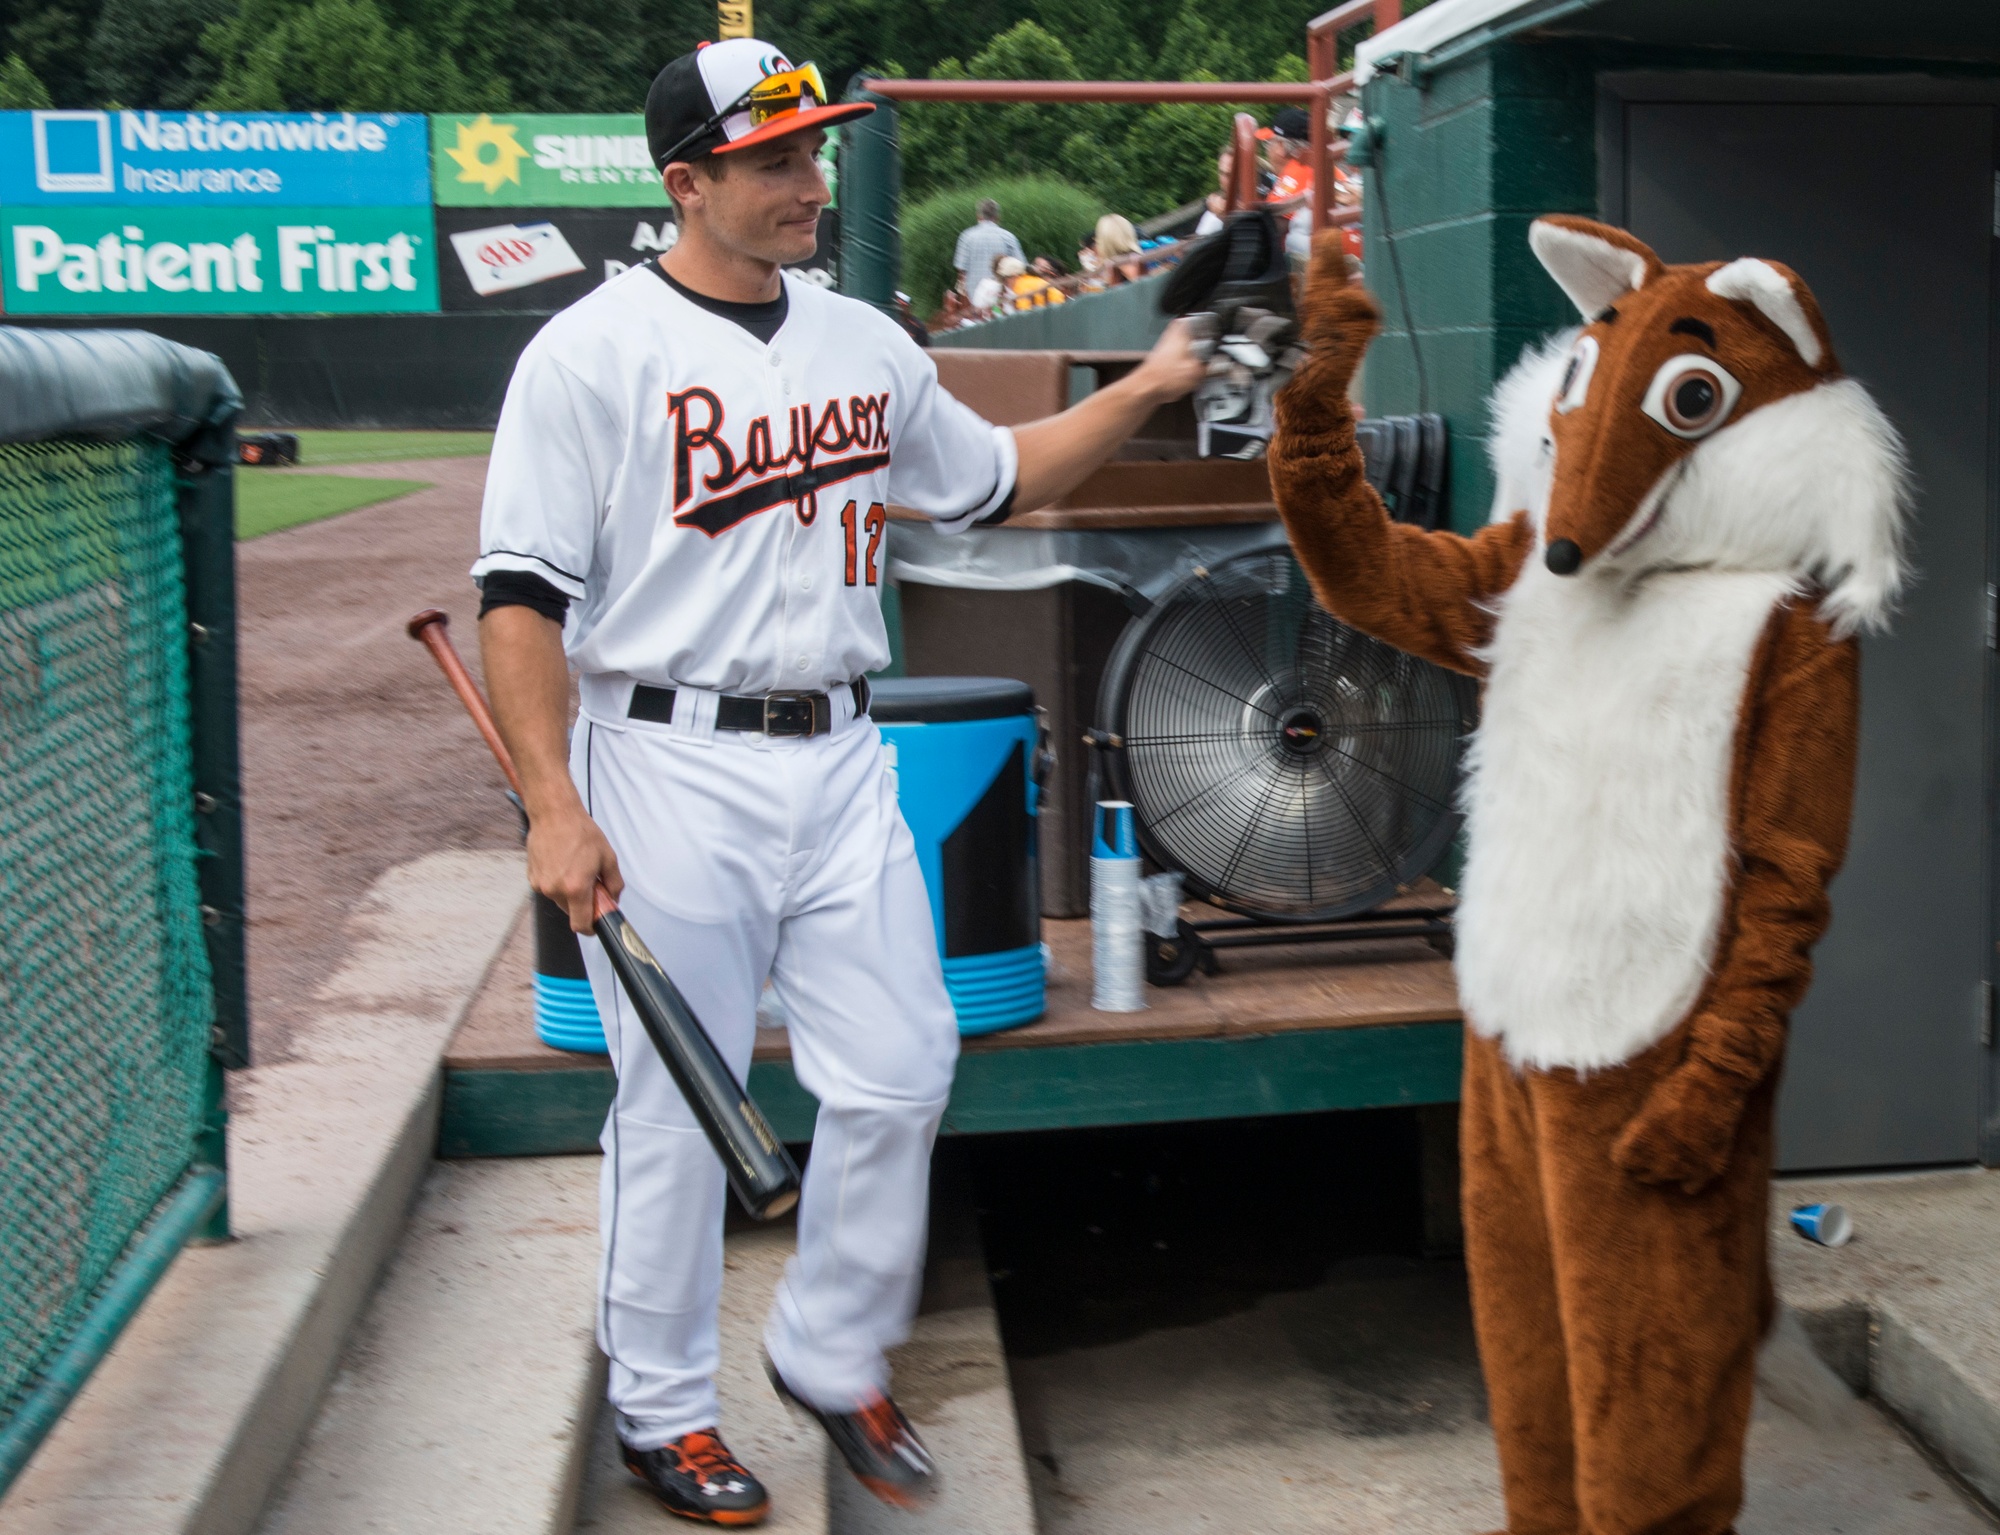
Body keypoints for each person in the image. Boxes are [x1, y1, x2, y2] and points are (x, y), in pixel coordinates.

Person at [473, 35, 1203, 1528]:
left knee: (902, 1061)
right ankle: (662, 1407)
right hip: (663, 754)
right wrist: (555, 800)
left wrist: (1162, 378)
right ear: (688, 183)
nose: (813, 179)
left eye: (817, 150)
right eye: (776, 159)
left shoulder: (860, 338)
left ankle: (828, 1345)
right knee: (678, 1100)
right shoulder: (590, 355)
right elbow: (517, 600)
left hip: (841, 752)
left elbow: (997, 478)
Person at [952, 197, 1022, 301]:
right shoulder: (1008, 237)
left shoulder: (966, 236)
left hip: (974, 296)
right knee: (997, 313)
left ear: (978, 216)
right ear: (997, 217)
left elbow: (961, 270)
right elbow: (1019, 266)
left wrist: (962, 296)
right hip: (1000, 295)